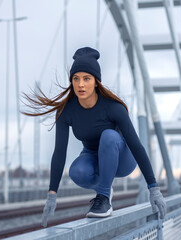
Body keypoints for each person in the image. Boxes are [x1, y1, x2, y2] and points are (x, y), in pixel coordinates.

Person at [22, 47, 167, 227]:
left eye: (86, 78)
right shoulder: (66, 111)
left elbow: (136, 146)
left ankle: (104, 197)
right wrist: (52, 194)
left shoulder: (113, 108)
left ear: (96, 82)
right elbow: (59, 152)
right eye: (76, 79)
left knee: (109, 136)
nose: (80, 84)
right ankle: (103, 189)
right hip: (93, 156)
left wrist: (154, 188)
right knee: (77, 171)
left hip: (122, 158)